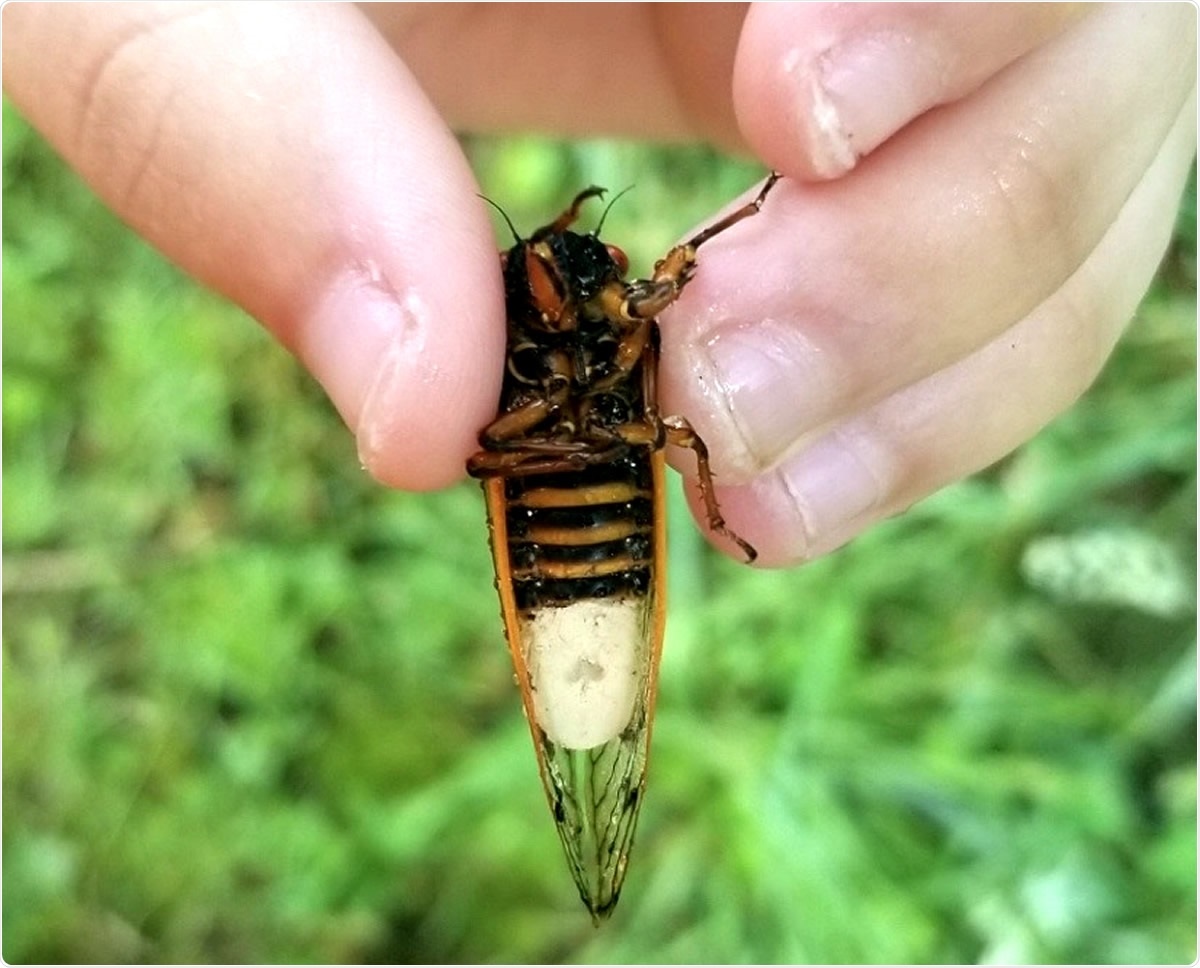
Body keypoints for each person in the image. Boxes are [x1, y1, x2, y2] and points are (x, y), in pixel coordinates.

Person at [4, 3, 1194, 566]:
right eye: (558, 271)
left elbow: (646, 319)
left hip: (577, 480)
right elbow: (488, 433)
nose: (583, 280)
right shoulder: (587, 331)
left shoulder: (630, 315)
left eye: (594, 269)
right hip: (583, 484)